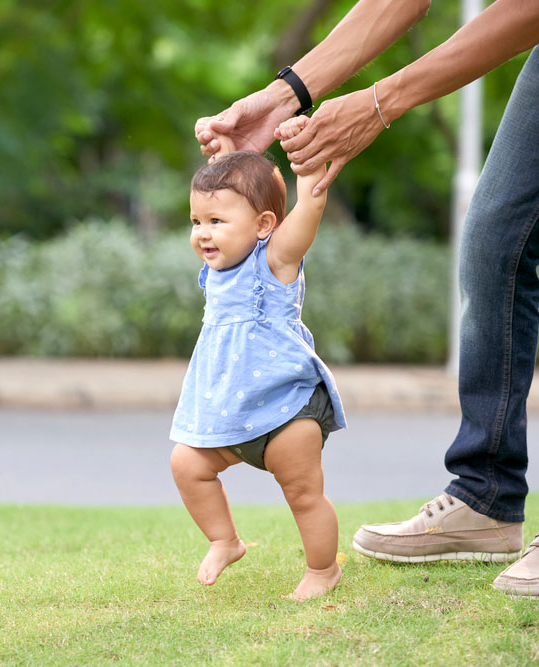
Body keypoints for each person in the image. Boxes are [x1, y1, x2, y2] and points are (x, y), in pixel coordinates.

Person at [197, 0, 539, 597]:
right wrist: (287, 93)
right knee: (494, 240)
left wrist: (380, 102)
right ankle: (486, 497)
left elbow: (533, 8)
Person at [170, 115, 347, 601]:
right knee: (187, 464)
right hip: (230, 413)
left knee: (303, 495)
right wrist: (227, 154)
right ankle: (225, 539)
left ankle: (321, 570)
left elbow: (305, 214)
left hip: (287, 409)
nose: (203, 234)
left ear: (265, 226)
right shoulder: (218, 272)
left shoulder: (275, 261)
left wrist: (309, 175)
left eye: (216, 222)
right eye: (197, 222)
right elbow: (235, 191)